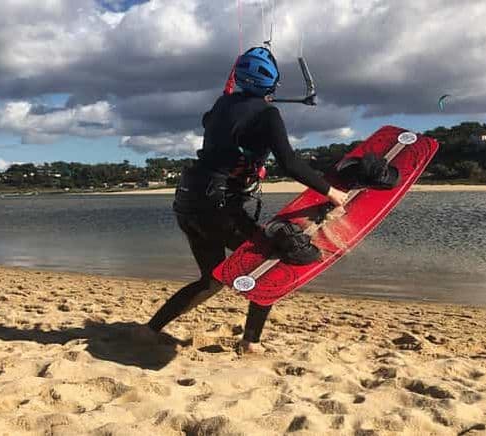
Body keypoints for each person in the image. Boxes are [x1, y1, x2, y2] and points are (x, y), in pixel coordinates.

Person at [140, 47, 350, 354]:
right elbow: (289, 163)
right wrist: (331, 192)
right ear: (272, 83)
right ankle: (250, 343)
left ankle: (148, 330)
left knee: (211, 280)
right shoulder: (267, 114)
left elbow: (213, 118)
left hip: (189, 201)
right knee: (272, 259)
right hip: (218, 206)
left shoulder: (223, 104)